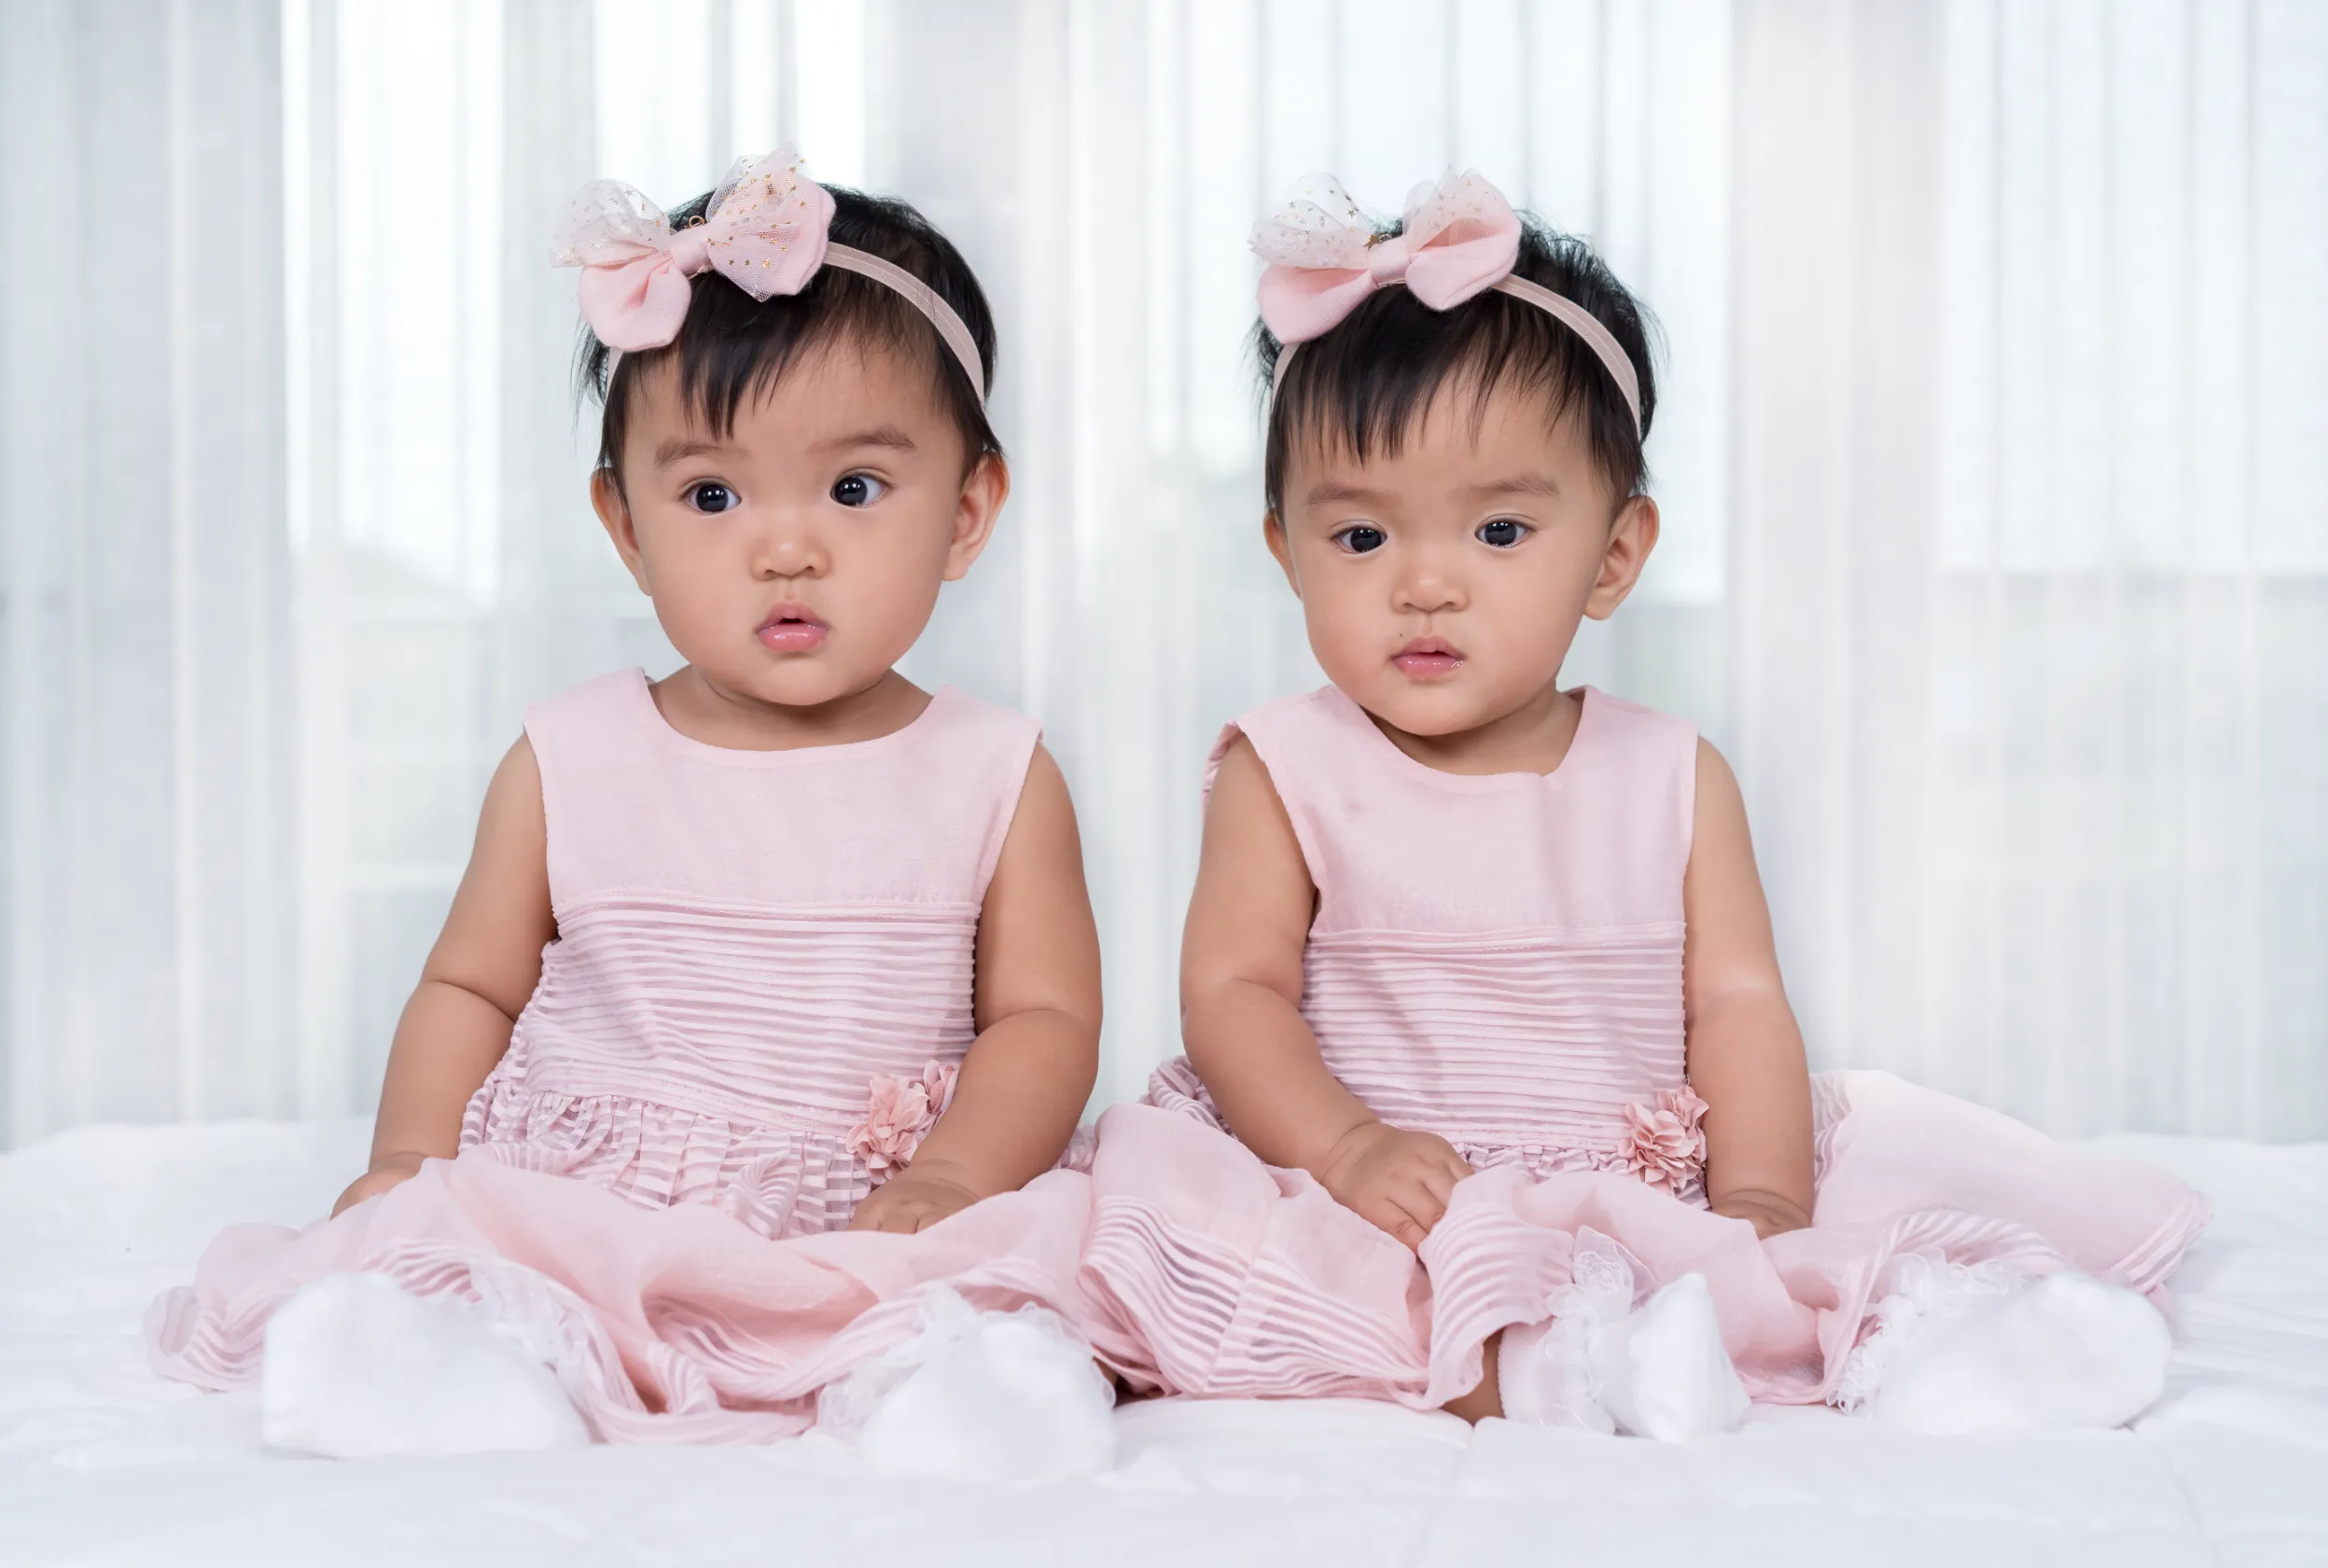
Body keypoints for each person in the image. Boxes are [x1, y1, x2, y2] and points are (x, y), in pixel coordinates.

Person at [1076, 171, 2210, 1439]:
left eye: (1498, 531)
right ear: (1284, 546)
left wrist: (1766, 1199)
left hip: (1626, 1179)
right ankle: (1556, 1376)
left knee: (1805, 1248)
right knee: (1260, 1272)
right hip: (1381, 1178)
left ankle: (1941, 1352)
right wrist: (1343, 1151)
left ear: (1611, 556)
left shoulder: (1670, 773)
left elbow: (1731, 1002)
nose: (1427, 585)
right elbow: (1232, 996)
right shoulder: (1284, 769)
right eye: (1361, 540)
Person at [147, 150, 1107, 1450]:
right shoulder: (573, 754)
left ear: (967, 510)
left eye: (855, 489)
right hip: (594, 1195)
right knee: (500, 1265)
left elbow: (1041, 1019)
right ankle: (455, 1371)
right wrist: (405, 1159)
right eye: (711, 495)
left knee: (977, 1280)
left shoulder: (994, 769)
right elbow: (470, 987)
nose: (785, 546)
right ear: (624, 524)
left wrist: (953, 1174)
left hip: (868, 1203)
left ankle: (947, 1397)